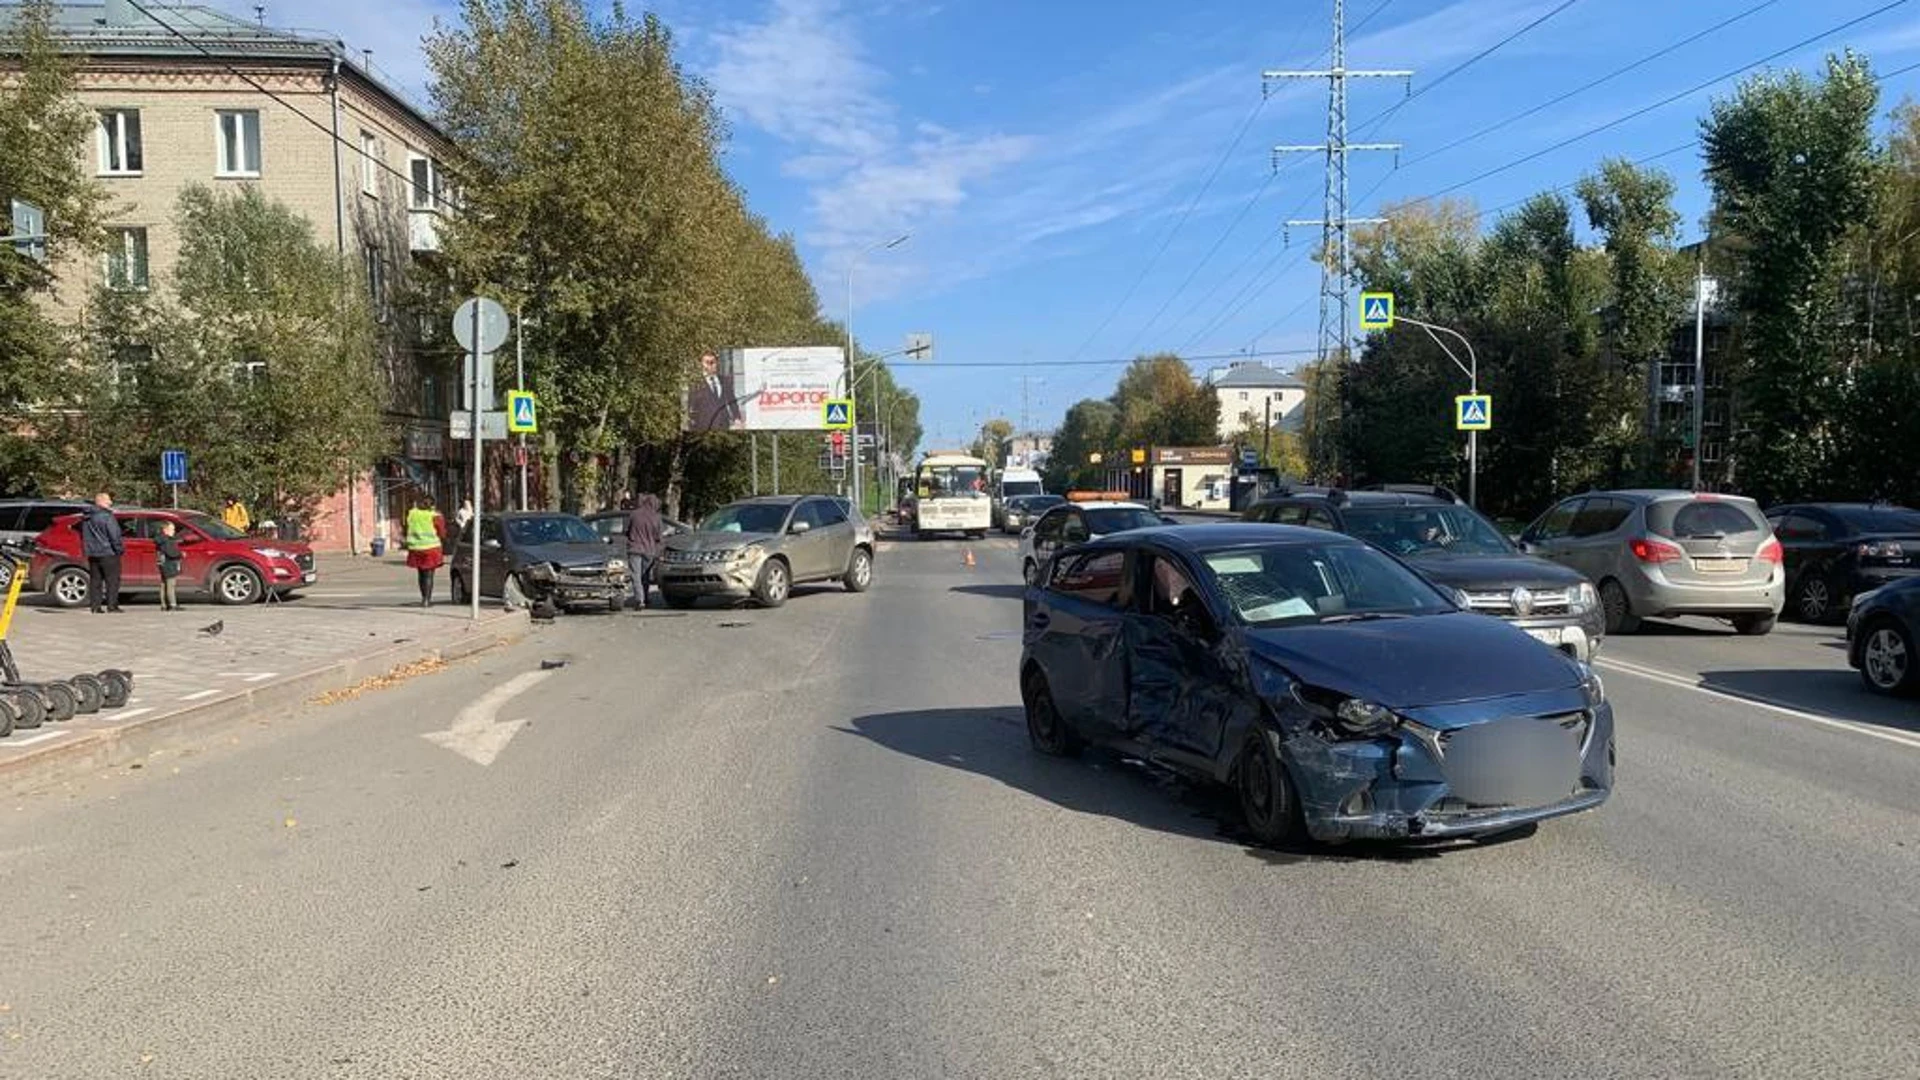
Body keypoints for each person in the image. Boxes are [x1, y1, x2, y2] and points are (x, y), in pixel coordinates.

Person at [81, 492, 125, 614]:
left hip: (93, 553)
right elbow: (114, 535)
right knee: (112, 580)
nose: (110, 503)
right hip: (108, 553)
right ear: (100, 501)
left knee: (95, 580)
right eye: (108, 501)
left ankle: (95, 606)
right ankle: (112, 606)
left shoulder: (86, 517)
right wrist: (119, 549)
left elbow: (84, 535)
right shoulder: (107, 517)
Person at [404, 495, 447, 608]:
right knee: (429, 575)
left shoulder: (412, 513)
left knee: (421, 573)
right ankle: (426, 600)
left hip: (416, 548)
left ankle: (423, 597)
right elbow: (442, 532)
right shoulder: (435, 516)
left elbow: (406, 526)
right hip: (431, 548)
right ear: (432, 505)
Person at [624, 493, 664, 610]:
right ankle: (645, 597)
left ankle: (639, 600)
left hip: (634, 548)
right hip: (649, 550)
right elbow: (659, 537)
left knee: (635, 575)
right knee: (645, 575)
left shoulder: (634, 514)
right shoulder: (657, 517)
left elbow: (626, 530)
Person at [685, 351, 742, 433]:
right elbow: (691, 409)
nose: (710, 365)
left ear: (717, 363)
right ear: (701, 364)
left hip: (724, 426)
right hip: (705, 428)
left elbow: (732, 401)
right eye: (707, 362)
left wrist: (737, 418)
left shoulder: (725, 380)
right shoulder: (695, 384)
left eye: (713, 362)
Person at [155, 520, 185, 612]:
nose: (174, 531)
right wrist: (181, 554)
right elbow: (171, 553)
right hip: (169, 564)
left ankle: (164, 605)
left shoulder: (160, 539)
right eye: (172, 529)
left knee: (164, 584)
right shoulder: (167, 540)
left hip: (162, 563)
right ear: (165, 530)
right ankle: (172, 604)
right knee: (170, 584)